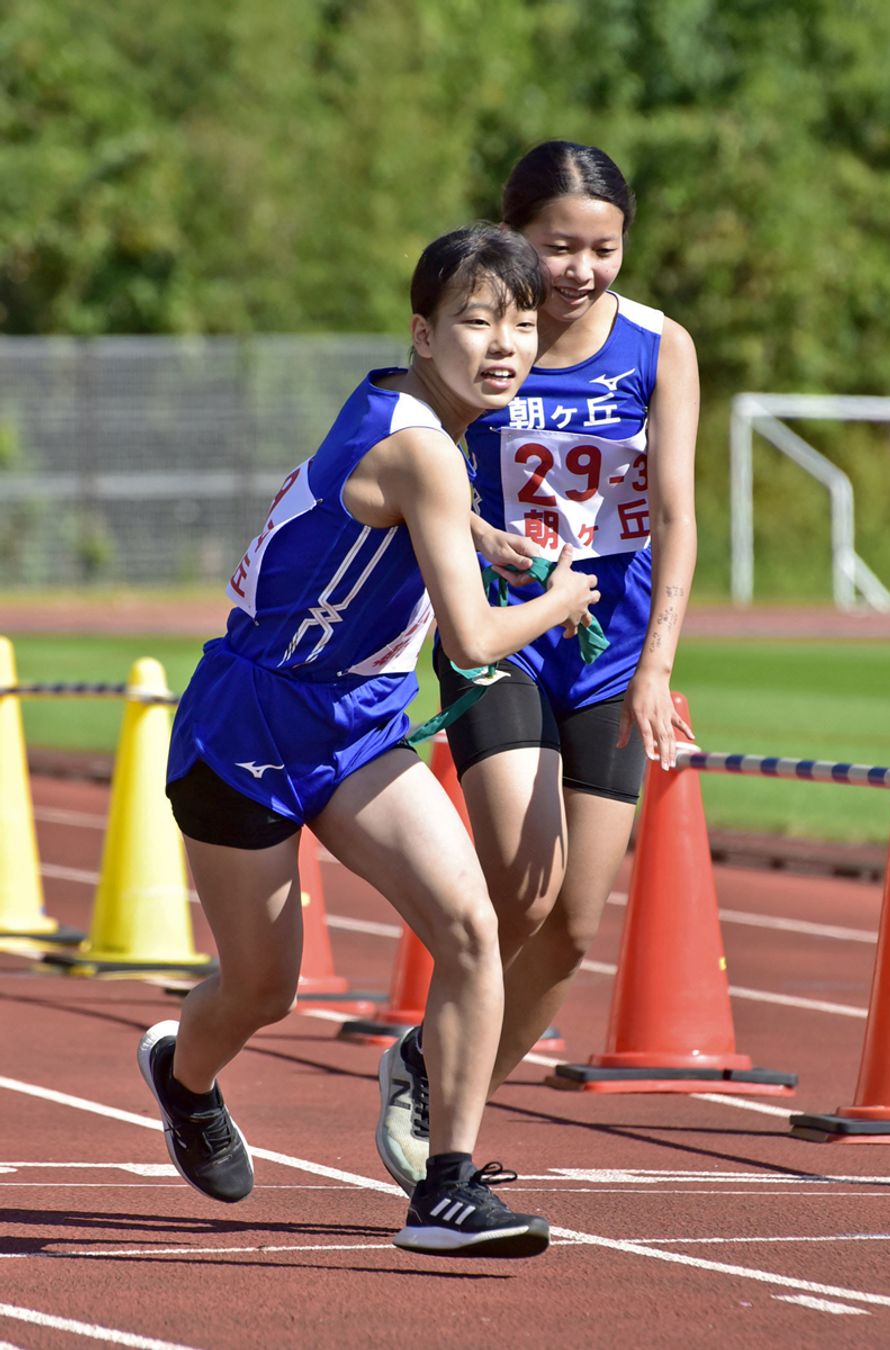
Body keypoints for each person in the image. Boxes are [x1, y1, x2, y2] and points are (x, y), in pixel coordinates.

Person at [136, 222, 598, 1259]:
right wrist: (563, 594)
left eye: (522, 323)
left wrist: (478, 536)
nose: (505, 345)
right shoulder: (426, 448)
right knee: (262, 990)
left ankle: (448, 1186)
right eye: (477, 322)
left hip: (357, 727)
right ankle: (184, 1075)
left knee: (473, 930)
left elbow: (382, 499)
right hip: (246, 728)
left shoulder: (409, 408)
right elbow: (476, 642)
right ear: (424, 333)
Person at [376, 140, 699, 1193]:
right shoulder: (481, 342)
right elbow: (407, 463)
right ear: (518, 235)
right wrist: (475, 533)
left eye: (604, 249)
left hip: (608, 646)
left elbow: (681, 518)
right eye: (560, 247)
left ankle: (436, 1076)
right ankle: (448, 1132)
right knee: (522, 885)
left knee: (570, 931)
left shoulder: (658, 346)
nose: (582, 271)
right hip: (500, 633)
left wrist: (656, 671)